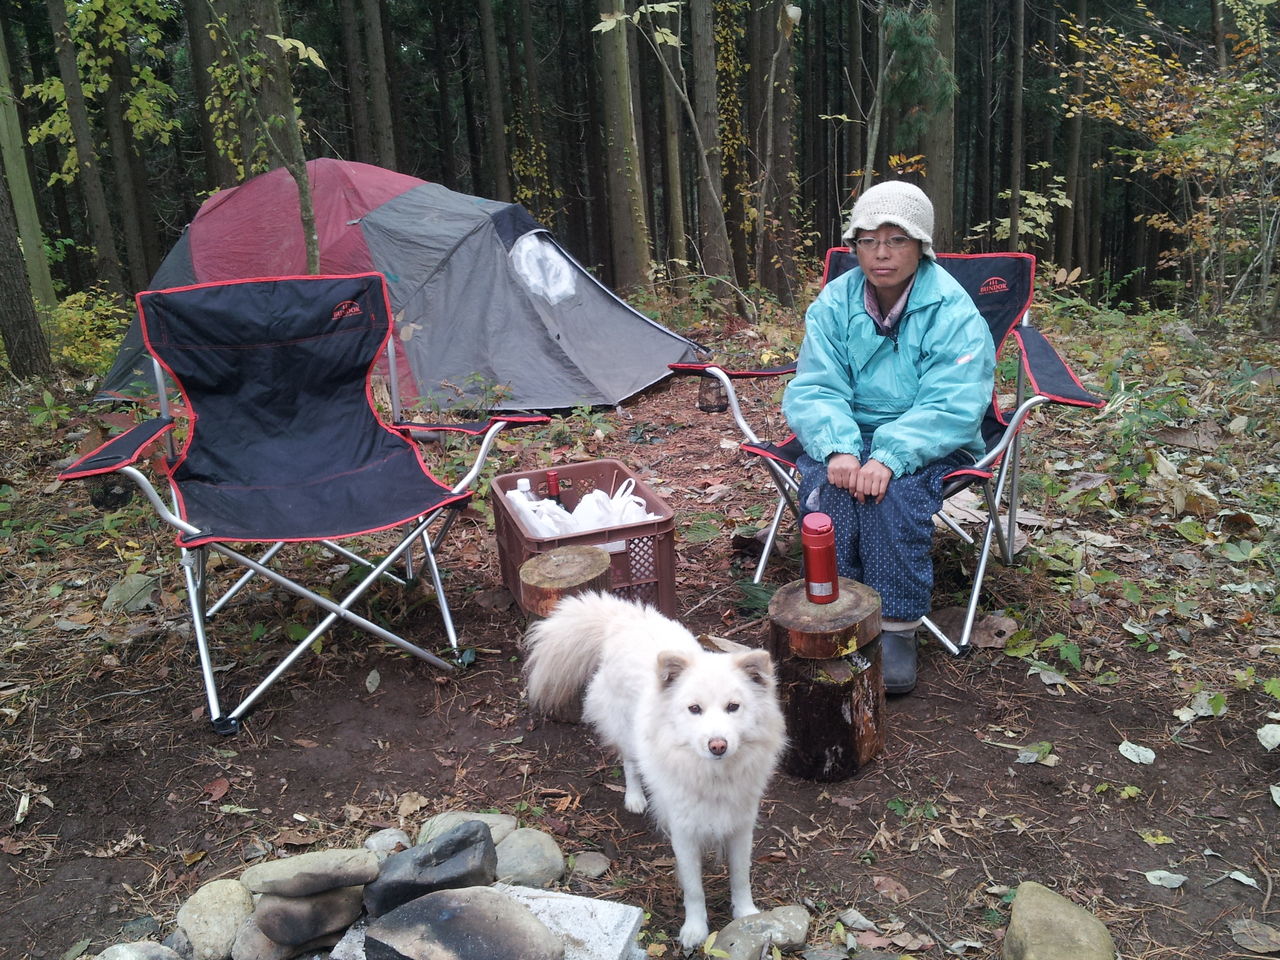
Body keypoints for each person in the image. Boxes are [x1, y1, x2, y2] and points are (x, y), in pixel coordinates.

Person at [782, 181, 995, 694]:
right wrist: (838, 446)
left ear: (921, 246)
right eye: (868, 240)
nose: (881, 253)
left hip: (931, 436)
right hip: (847, 429)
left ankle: (897, 626)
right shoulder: (835, 302)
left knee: (891, 495)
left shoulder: (951, 309)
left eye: (897, 239)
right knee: (830, 489)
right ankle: (836, 608)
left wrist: (891, 455)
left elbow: (953, 401)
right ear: (854, 246)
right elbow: (816, 384)